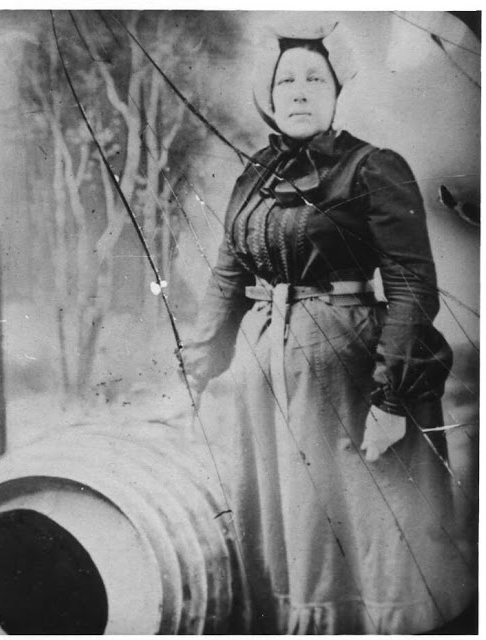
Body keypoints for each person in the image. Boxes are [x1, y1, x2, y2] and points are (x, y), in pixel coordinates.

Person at [176, 26, 475, 634]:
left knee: (367, 524)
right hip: (269, 372)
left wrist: (391, 397)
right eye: (286, 80)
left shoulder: (374, 167)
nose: (300, 91)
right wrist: (194, 375)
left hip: (353, 375)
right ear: (269, 96)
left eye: (315, 78)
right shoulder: (254, 177)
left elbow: (412, 284)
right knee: (293, 521)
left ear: (337, 90)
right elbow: (227, 278)